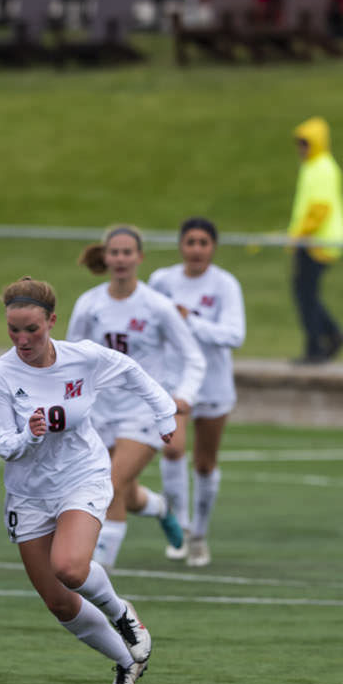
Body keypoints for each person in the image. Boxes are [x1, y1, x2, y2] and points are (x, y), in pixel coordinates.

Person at [0, 277, 175, 684]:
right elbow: (5, 446)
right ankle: (128, 663)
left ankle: (123, 614)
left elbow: (131, 370)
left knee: (70, 568)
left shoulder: (83, 357)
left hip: (82, 475)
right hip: (28, 493)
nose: (22, 339)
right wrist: (30, 435)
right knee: (58, 601)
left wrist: (164, 414)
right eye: (13, 330)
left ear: (52, 321)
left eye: (31, 329)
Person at [66, 225, 203, 569]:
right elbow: (71, 359)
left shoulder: (157, 306)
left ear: (139, 258)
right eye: (115, 252)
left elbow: (193, 357)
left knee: (108, 486)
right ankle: (160, 508)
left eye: (128, 252)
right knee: (123, 490)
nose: (121, 258)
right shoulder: (90, 304)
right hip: (99, 412)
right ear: (106, 256)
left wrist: (182, 396)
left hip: (143, 413)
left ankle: (98, 571)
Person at [148, 216, 247, 567]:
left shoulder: (225, 285)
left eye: (203, 243)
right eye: (190, 242)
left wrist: (190, 320)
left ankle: (201, 535)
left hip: (214, 383)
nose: (196, 250)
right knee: (173, 450)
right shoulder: (162, 280)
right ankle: (182, 530)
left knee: (204, 464)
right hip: (174, 383)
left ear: (213, 247)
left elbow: (234, 335)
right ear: (180, 245)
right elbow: (148, 326)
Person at [288, 116, 343, 365]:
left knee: (305, 294)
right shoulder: (313, 166)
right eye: (299, 143)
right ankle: (331, 335)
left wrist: (298, 236)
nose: (301, 149)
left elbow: (319, 209)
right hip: (312, 240)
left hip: (318, 242)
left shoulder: (322, 167)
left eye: (305, 143)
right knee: (306, 294)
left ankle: (316, 347)